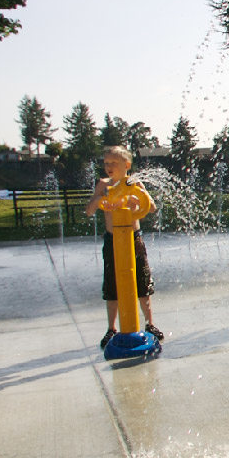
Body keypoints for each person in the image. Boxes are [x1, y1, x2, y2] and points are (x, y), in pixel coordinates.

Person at [84, 146, 164, 349]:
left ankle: (150, 324)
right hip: (113, 240)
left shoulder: (134, 183)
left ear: (126, 165)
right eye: (106, 163)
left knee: (142, 282)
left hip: (133, 238)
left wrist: (137, 201)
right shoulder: (104, 185)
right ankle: (111, 328)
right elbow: (89, 211)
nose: (109, 167)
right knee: (112, 285)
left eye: (114, 163)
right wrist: (101, 200)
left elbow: (151, 207)